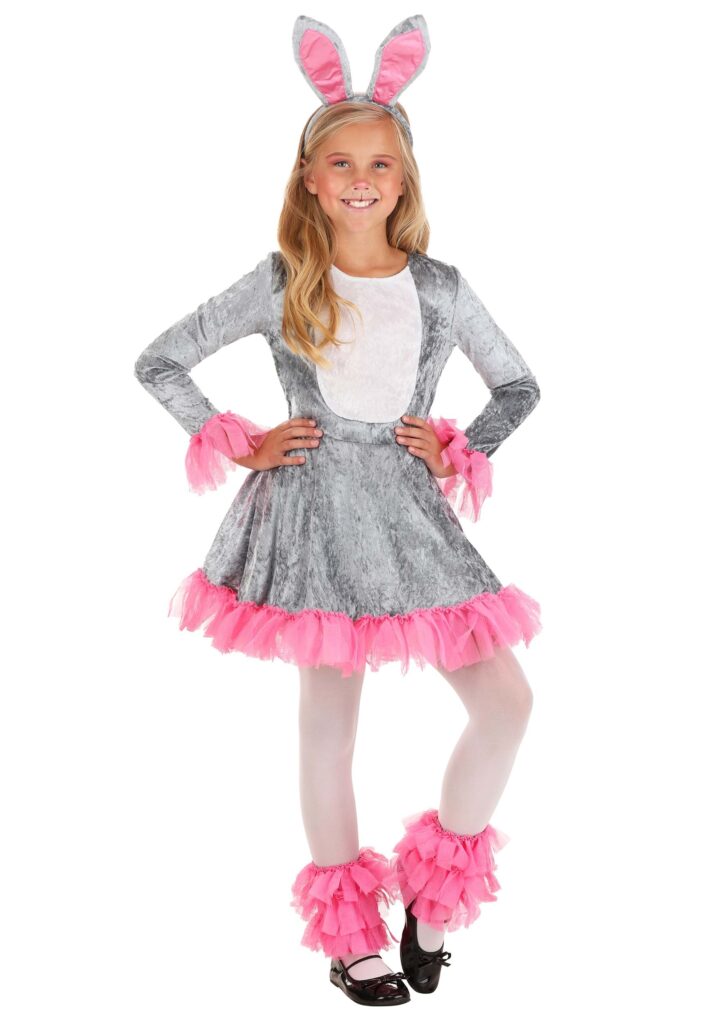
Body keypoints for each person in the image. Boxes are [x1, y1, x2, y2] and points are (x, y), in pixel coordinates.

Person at [134, 14, 542, 1007]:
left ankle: (433, 906)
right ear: (310, 180)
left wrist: (460, 446)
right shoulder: (284, 281)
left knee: (505, 701)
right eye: (342, 163)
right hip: (312, 514)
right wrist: (239, 438)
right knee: (328, 723)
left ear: (404, 181)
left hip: (406, 516)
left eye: (380, 164)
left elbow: (518, 386)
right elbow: (161, 360)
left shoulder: (440, 289)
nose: (362, 180)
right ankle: (349, 939)